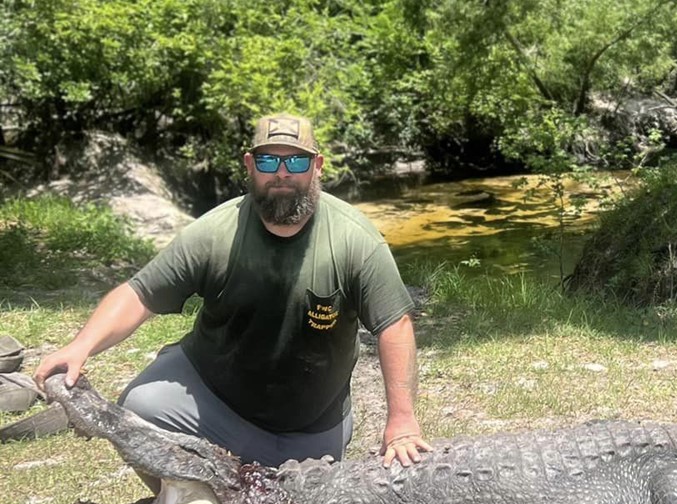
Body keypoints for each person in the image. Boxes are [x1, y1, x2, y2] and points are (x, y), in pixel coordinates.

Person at [34, 113, 432, 470]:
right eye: (267, 161)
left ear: (317, 166)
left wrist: (401, 420)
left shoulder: (355, 239)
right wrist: (80, 346)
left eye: (295, 161)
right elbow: (139, 294)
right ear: (249, 165)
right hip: (213, 400)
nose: (281, 174)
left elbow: (394, 325)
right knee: (140, 409)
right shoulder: (216, 231)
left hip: (309, 428)